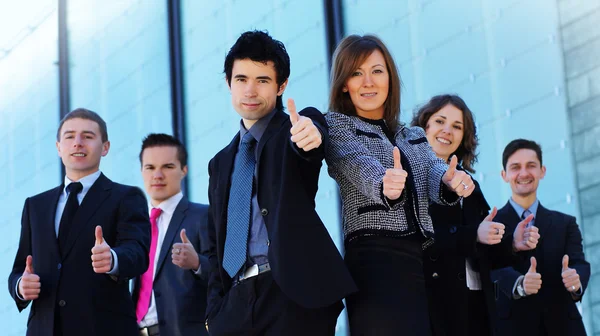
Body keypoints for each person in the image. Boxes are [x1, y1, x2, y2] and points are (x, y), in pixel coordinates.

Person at [203, 30, 356, 336]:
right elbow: (213, 245)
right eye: (241, 79)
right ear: (228, 83)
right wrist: (214, 311)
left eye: (262, 80)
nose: (250, 90)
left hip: (292, 297)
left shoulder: (293, 130)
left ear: (280, 86)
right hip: (234, 305)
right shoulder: (220, 163)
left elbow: (311, 137)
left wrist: (311, 135)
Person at [325, 35, 477, 336]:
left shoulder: (414, 135)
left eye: (377, 71)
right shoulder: (339, 126)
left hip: (418, 263)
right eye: (356, 73)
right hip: (373, 263)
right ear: (344, 83)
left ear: (390, 78)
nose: (368, 82)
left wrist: (449, 181)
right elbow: (356, 164)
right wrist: (384, 185)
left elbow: (434, 172)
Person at [8, 108, 150, 336]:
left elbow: (138, 253)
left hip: (102, 328)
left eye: (88, 136)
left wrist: (113, 258)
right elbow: (19, 269)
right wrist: (20, 287)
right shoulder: (35, 206)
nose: (78, 143)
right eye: (70, 136)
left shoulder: (126, 197)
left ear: (105, 147)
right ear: (58, 147)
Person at [411, 95, 539, 336]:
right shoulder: (411, 176)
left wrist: (513, 243)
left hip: (477, 303)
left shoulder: (471, 184)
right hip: (437, 305)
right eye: (440, 121)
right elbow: (422, 238)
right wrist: (473, 235)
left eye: (457, 126)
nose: (447, 130)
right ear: (423, 126)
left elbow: (485, 246)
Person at [491, 139, 590, 336]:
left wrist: (575, 280)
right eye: (515, 167)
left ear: (542, 171)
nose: (524, 173)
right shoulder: (492, 224)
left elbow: (579, 262)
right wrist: (518, 284)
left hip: (565, 328)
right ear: (504, 175)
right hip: (513, 329)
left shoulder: (566, 223)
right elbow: (491, 267)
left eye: (531, 166)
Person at [134, 133, 209, 336]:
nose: (157, 175)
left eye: (167, 167)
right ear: (141, 171)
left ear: (184, 170)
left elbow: (225, 275)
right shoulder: (133, 225)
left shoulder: (203, 217)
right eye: (150, 167)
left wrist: (197, 263)